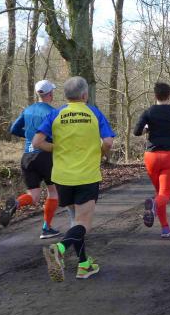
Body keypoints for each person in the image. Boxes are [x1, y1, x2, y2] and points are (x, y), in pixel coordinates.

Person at [33, 76, 115, 281]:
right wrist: (100, 152)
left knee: (75, 221)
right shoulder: (94, 113)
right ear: (85, 95)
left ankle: (84, 264)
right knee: (83, 224)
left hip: (62, 178)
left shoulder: (55, 114)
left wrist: (58, 148)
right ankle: (59, 248)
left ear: (66, 95)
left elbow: (36, 142)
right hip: (86, 176)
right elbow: (108, 142)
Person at [0, 79, 60, 238]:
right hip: (45, 156)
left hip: (27, 157)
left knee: (33, 196)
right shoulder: (53, 112)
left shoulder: (27, 110)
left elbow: (13, 129)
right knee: (53, 192)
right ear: (50, 94)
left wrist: (29, 136)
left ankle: (16, 203)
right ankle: (46, 228)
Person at [133, 82, 170, 238]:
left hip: (151, 157)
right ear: (169, 95)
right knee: (165, 195)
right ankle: (153, 205)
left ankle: (165, 228)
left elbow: (136, 132)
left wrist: (147, 129)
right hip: (169, 156)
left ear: (155, 95)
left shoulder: (148, 112)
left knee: (160, 193)